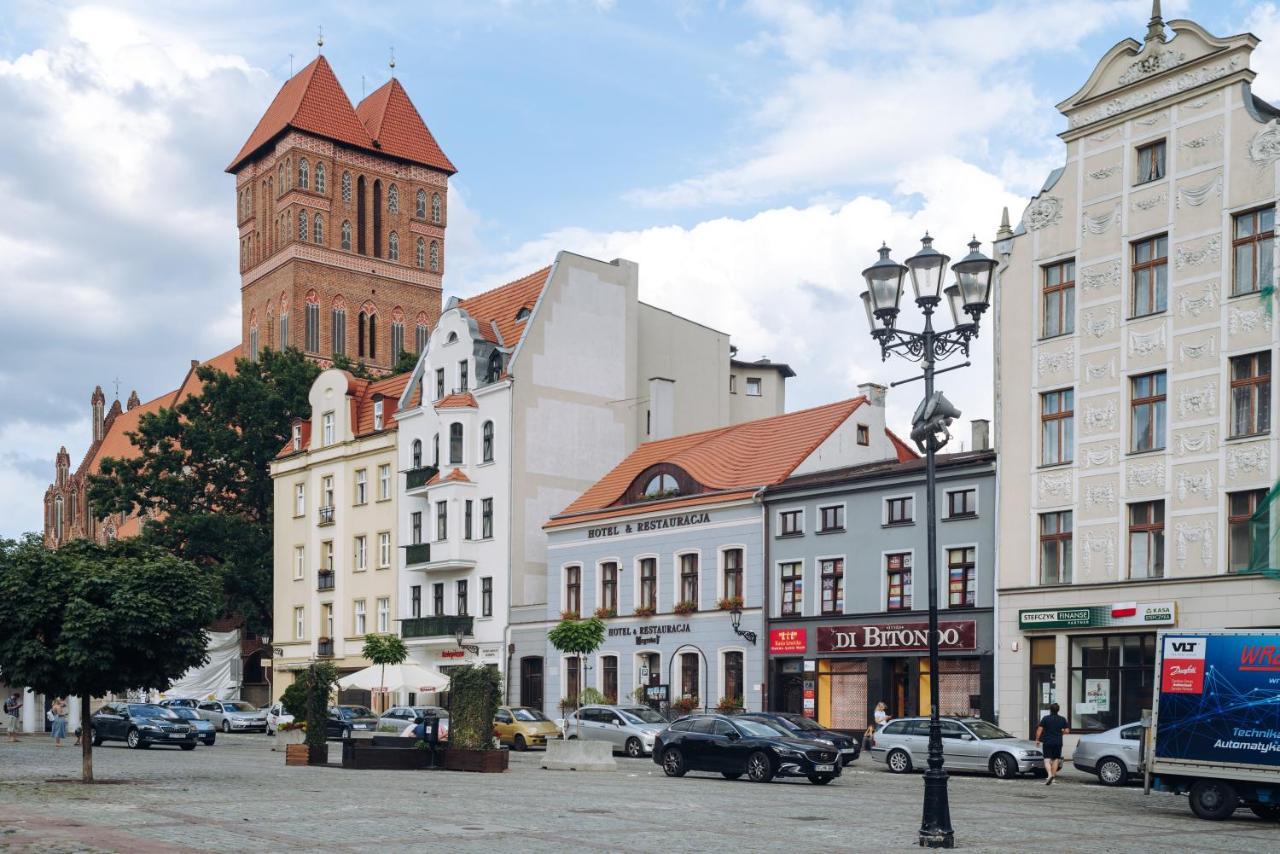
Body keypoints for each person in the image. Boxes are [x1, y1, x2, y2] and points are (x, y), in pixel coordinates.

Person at [1035, 702, 1070, 785]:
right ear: (1058, 710)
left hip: (1047, 741)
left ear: (1050, 710)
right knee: (1055, 759)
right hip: (1058, 742)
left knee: (1047, 759)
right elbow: (1067, 731)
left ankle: (1049, 775)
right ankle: (1053, 777)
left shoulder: (1045, 718)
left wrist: (1037, 739)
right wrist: (1060, 733)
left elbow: (1039, 730)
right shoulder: (1062, 719)